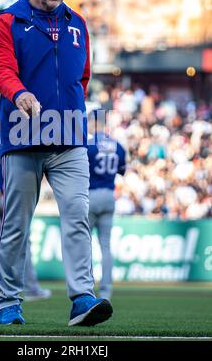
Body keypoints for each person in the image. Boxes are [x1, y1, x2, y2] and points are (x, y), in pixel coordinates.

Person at [0, 0, 113, 326]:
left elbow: (83, 76)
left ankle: (82, 298)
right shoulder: (9, 21)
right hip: (23, 135)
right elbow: (1, 68)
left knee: (77, 215)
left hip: (70, 137)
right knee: (16, 225)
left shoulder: (78, 24)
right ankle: (8, 301)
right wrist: (19, 93)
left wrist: (70, 110)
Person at [0, 131, 51, 301]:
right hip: (9, 195)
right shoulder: (11, 139)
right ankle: (31, 289)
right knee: (23, 242)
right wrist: (2, 190)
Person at [87, 110, 127, 300]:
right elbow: (121, 171)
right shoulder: (118, 146)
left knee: (84, 244)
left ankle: (86, 287)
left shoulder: (88, 145)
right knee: (106, 246)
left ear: (94, 122)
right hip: (109, 195)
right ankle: (106, 291)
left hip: (91, 194)